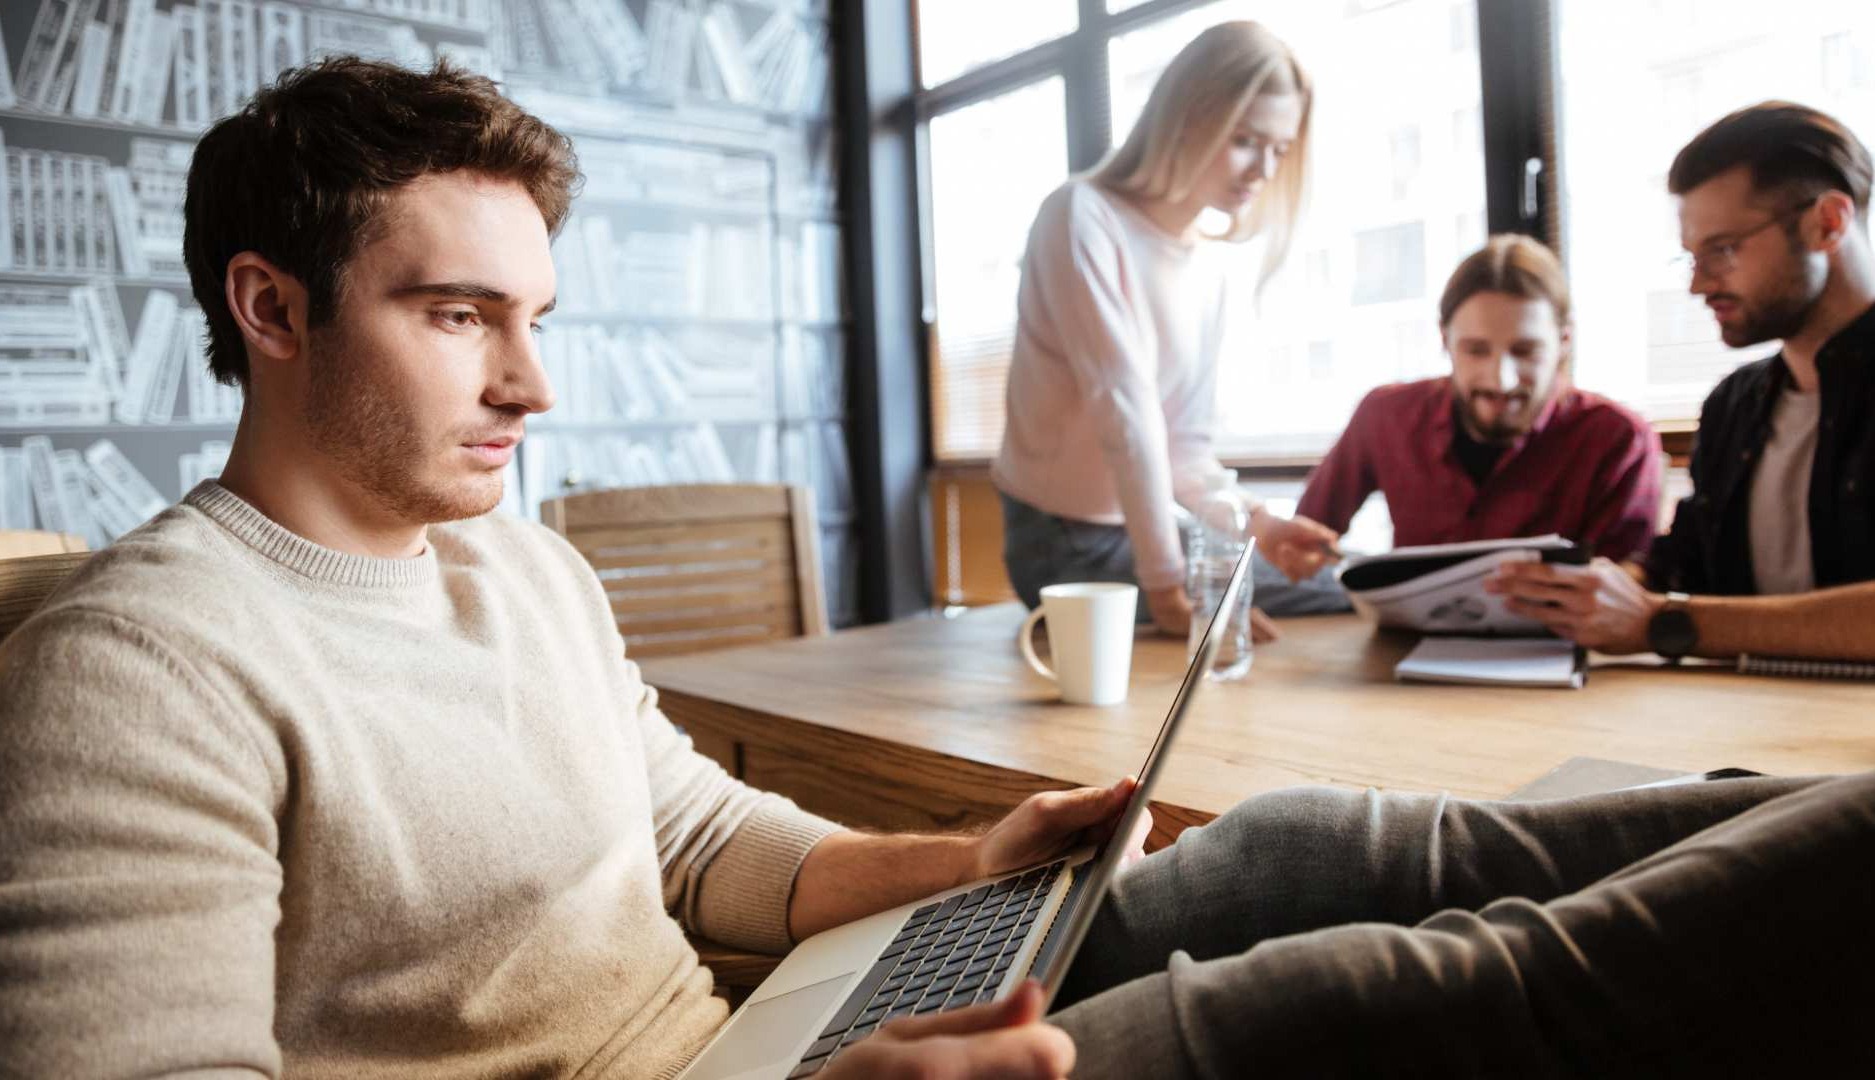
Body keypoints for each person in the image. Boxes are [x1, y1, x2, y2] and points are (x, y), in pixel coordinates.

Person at [5, 61, 1872, 1080]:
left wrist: (963, 865)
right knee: (1443, 987)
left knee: (1327, 848)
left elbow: (699, 848)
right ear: (270, 310)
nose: (532, 381)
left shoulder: (519, 573)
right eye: (459, 314)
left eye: (539, 316)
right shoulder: (141, 662)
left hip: (770, 1031)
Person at [991, 21, 1344, 642]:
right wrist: (1170, 593)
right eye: (1244, 140)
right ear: (1186, 117)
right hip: (1061, 542)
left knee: (1340, 583)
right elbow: (1124, 412)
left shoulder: (1206, 266)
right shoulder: (1080, 217)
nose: (1263, 168)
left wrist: (1257, 523)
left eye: (1279, 149)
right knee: (1276, 601)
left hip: (1139, 530)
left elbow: (1184, 448)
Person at [1490, 102, 1875, 662]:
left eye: (1723, 250)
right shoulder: (1734, 406)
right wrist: (1592, 595)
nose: (1699, 285)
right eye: (1691, 258)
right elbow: (1681, 562)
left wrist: (1666, 623)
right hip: (1741, 731)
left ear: (1828, 223)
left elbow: (1667, 615)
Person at [1298, 235, 1661, 561]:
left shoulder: (1621, 440)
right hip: (1407, 633)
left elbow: (1623, 592)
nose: (1501, 380)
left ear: (1564, 342)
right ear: (1445, 340)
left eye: (1525, 350)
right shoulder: (1386, 414)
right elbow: (1303, 536)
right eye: (1475, 350)